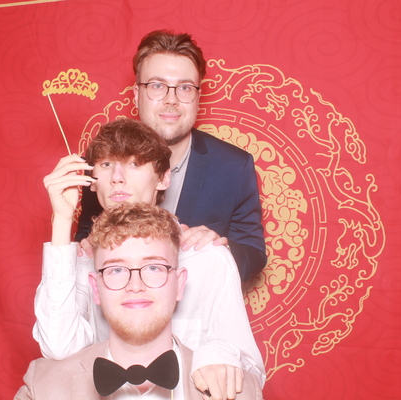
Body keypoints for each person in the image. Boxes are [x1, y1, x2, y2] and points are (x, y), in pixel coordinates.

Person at [33, 119, 265, 399]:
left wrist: (216, 352)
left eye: (134, 163)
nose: (117, 177)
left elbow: (250, 371)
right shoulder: (83, 261)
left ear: (164, 178)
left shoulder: (207, 256)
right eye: (106, 164)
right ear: (92, 181)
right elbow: (58, 347)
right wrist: (62, 220)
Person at [17, 203, 263, 399]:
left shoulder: (239, 391)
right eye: (116, 270)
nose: (135, 286)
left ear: (179, 284)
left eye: (153, 267)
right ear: (95, 288)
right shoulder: (42, 388)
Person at [76, 30, 266, 282]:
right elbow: (86, 232)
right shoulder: (102, 163)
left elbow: (254, 253)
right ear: (136, 94)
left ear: (198, 97)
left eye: (184, 88)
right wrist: (86, 247)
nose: (171, 100)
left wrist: (222, 250)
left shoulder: (234, 166)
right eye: (157, 86)